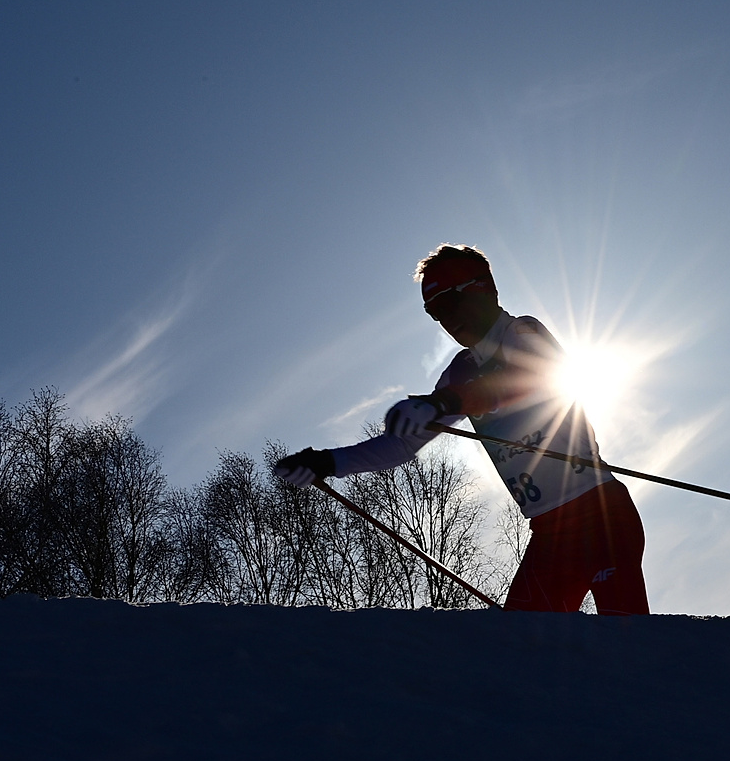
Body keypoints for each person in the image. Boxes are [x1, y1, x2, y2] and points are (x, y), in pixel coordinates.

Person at [273, 244, 649, 615]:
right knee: (520, 653)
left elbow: (531, 377)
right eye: (434, 312)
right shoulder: (460, 372)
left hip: (601, 516)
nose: (446, 320)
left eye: (449, 303)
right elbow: (400, 447)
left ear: (483, 289)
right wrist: (325, 462)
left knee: (627, 645)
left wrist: (446, 403)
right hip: (551, 534)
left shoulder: (521, 332)